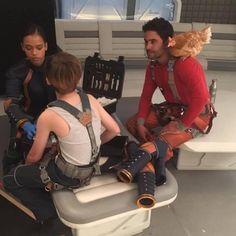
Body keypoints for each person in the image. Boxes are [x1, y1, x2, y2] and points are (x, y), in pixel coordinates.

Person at [3, 51, 120, 222]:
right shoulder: (90, 99)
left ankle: (49, 215)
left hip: (68, 177)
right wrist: (93, 145)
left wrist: (24, 169)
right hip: (92, 169)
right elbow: (115, 130)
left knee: (10, 179)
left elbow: (34, 156)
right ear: (78, 77)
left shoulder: (49, 115)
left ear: (48, 80)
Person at [118, 17, 216, 188]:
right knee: (133, 124)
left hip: (197, 112)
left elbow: (200, 99)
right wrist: (141, 123)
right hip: (174, 108)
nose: (148, 46)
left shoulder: (187, 64)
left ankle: (144, 161)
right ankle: (152, 157)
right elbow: (146, 97)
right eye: (146, 41)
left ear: (168, 41)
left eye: (153, 42)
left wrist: (180, 126)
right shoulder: (153, 67)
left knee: (163, 138)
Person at [3, 23, 56, 173]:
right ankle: (8, 177)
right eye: (28, 48)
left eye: (39, 47)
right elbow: (9, 103)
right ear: (22, 47)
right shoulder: (16, 71)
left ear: (46, 46)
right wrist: (24, 123)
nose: (34, 53)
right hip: (29, 116)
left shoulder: (57, 65)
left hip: (56, 113)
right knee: (15, 145)